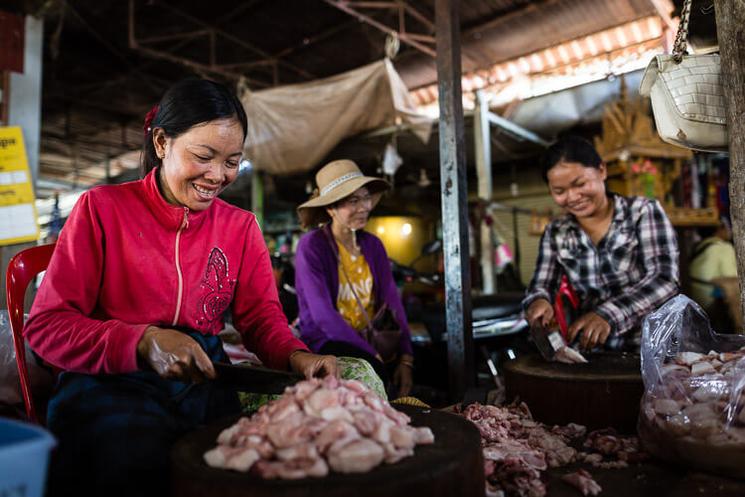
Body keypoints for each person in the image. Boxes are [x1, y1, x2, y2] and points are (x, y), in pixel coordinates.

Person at [23, 78, 337, 497]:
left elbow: (261, 318)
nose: (218, 175)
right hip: (109, 382)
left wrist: (295, 355)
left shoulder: (240, 227)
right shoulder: (101, 210)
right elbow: (46, 328)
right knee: (137, 465)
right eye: (203, 156)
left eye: (232, 161)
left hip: (204, 378)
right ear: (161, 143)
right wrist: (142, 342)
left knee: (243, 464)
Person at [523, 136, 679, 351]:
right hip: (593, 351)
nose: (573, 196)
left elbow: (665, 280)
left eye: (580, 184)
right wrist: (538, 301)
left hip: (653, 346)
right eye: (559, 191)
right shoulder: (556, 232)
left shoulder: (642, 212)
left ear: (602, 171)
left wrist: (608, 315)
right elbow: (543, 284)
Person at [294, 159, 414, 398]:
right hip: (327, 341)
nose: (364, 207)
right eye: (353, 201)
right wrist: (371, 355)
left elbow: (392, 300)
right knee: (373, 372)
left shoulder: (373, 245)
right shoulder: (312, 246)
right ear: (330, 208)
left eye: (366, 197)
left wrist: (407, 356)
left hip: (371, 338)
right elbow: (323, 317)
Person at [688, 218, 739, 330]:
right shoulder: (723, 247)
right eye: (727, 227)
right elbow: (732, 277)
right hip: (711, 301)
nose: (729, 230)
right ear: (719, 230)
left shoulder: (700, 245)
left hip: (696, 296)